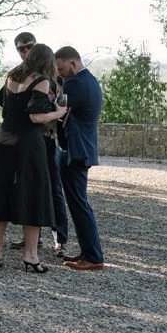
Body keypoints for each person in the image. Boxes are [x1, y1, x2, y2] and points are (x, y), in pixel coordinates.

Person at [0, 43, 67, 273]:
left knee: (1, 194)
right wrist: (58, 112)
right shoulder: (41, 81)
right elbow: (36, 117)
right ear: (47, 61)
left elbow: (2, 102)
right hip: (28, 144)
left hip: (4, 141)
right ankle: (31, 256)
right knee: (33, 196)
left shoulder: (11, 76)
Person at [1, 32, 69, 254]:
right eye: (21, 49)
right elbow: (3, 100)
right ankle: (31, 239)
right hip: (26, 140)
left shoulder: (52, 78)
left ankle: (60, 240)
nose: (25, 51)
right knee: (27, 188)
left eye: (28, 47)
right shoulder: (17, 75)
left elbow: (62, 105)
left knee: (53, 189)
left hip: (46, 139)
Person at [55, 46, 106, 271]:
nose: (60, 74)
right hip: (84, 148)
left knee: (79, 204)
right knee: (78, 203)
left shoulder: (74, 84)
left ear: (73, 64)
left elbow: (57, 109)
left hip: (75, 150)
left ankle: (93, 256)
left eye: (61, 69)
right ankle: (87, 252)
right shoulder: (91, 81)